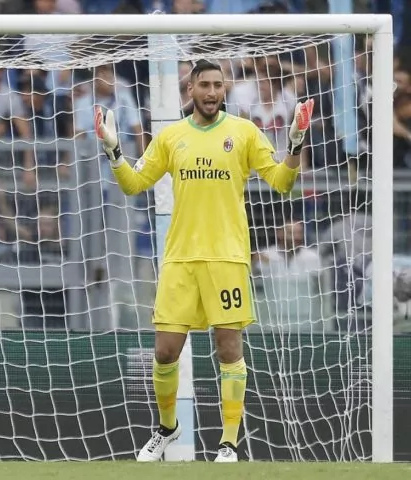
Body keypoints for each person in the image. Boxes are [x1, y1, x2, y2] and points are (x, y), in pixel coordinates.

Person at [94, 59, 313, 463]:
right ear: (191, 89)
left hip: (227, 257)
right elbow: (134, 184)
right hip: (180, 259)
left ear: (224, 89)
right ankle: (166, 427)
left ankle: (228, 443)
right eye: (204, 85)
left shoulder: (244, 132)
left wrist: (296, 146)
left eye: (218, 85)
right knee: (164, 352)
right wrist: (113, 149)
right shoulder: (171, 136)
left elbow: (282, 184)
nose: (212, 92)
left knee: (228, 348)